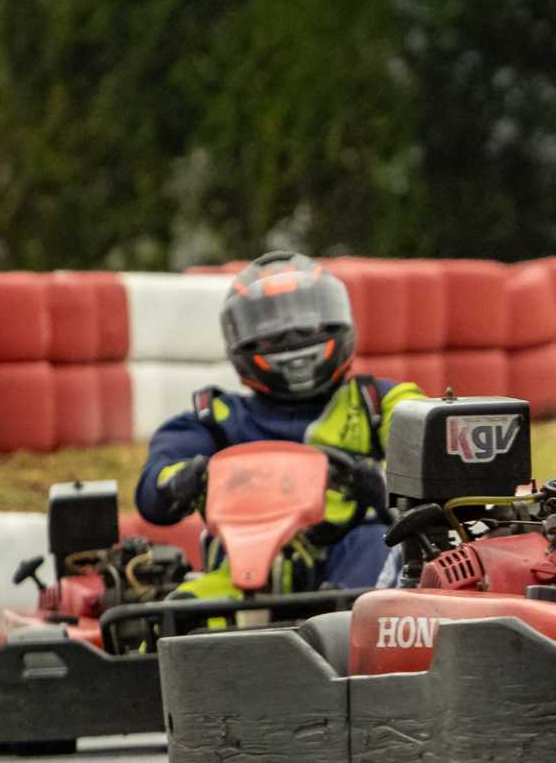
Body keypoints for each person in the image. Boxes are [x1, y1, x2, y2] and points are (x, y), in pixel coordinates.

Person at [134, 252, 422, 598]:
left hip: (354, 562)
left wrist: (379, 483)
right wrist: (183, 479)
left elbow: (429, 444)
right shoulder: (218, 418)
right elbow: (155, 485)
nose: (291, 338)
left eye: (305, 323)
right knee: (180, 610)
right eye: (273, 329)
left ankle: (351, 623)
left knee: (377, 544)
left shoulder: (375, 402)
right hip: (243, 568)